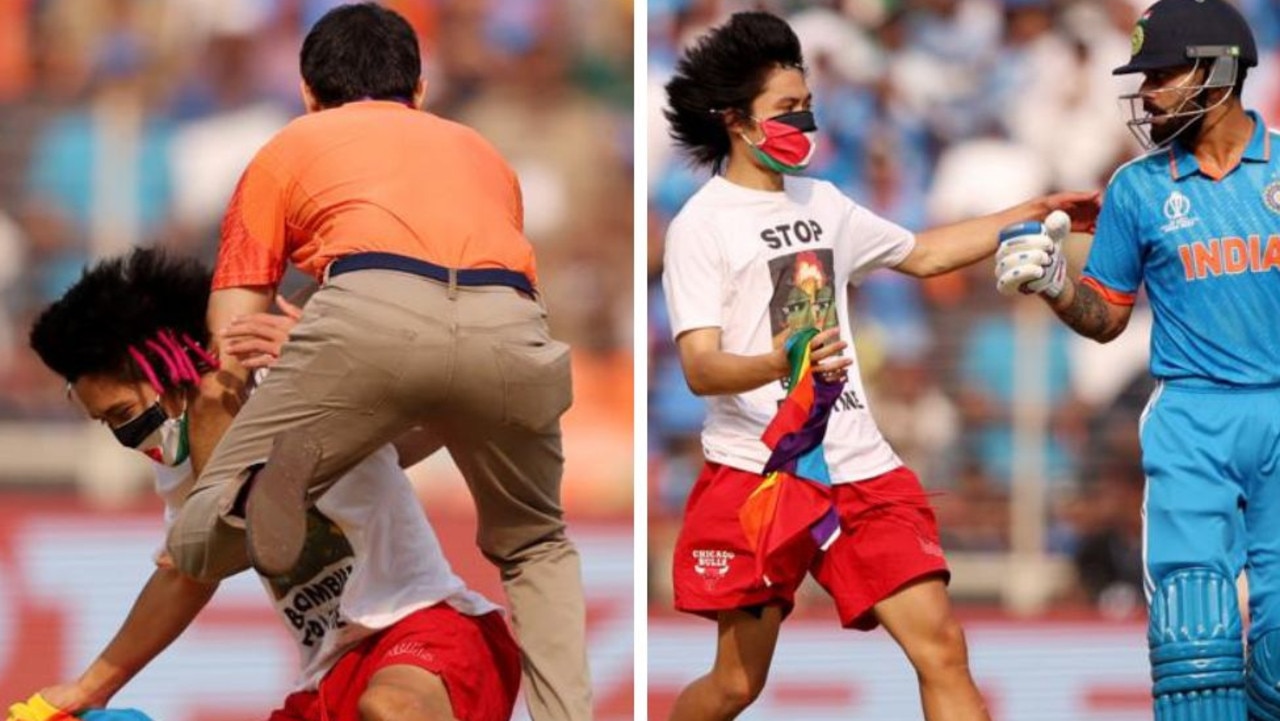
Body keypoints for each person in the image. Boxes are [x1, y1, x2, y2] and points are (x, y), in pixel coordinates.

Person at [659, 11, 1099, 721]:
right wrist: (777, 362)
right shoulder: (700, 226)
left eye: (806, 106)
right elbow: (701, 369)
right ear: (735, 121)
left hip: (861, 469)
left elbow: (922, 253)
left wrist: (1033, 210)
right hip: (760, 472)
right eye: (786, 110)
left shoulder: (825, 201)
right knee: (737, 684)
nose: (803, 121)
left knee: (942, 648)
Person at [163, 5, 590, 720]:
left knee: (199, 536)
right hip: (511, 327)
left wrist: (284, 389)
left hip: (366, 313)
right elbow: (454, 374)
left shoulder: (288, 146)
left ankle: (280, 479)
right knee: (538, 544)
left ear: (306, 93)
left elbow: (234, 335)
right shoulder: (482, 152)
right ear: (419, 89)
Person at [21, 248, 521, 721]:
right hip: (329, 675)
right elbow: (188, 574)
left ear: (165, 362)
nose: (124, 438)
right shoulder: (179, 465)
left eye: (123, 414)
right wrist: (87, 690)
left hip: (425, 628)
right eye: (106, 424)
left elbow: (438, 390)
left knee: (392, 711)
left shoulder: (284, 373)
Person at [993, 0, 1280, 718]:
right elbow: (1107, 318)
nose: (1147, 94)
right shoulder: (1137, 189)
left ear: (1218, 74)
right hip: (1191, 418)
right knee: (1195, 643)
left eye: (1162, 75)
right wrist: (1057, 285)